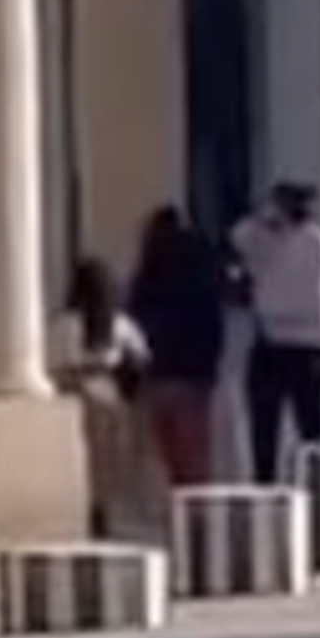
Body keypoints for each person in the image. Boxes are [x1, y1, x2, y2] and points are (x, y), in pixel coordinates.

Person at [235, 174, 320, 482]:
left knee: (309, 432)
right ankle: (268, 489)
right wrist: (264, 224)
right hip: (278, 344)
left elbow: (313, 298)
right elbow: (239, 237)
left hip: (302, 345)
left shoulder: (318, 245)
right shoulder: (269, 241)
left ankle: (316, 491)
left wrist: (268, 305)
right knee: (265, 429)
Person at [127, 202, 235, 505]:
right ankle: (197, 521)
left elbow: (137, 322)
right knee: (195, 458)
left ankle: (182, 516)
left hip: (160, 373)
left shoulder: (149, 274)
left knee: (171, 458)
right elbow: (214, 322)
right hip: (193, 375)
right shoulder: (201, 273)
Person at [61, 248, 150, 540]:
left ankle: (86, 511)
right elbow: (142, 358)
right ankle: (104, 513)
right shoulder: (120, 325)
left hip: (72, 404)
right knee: (108, 464)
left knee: (80, 464)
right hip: (111, 400)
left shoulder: (65, 326)